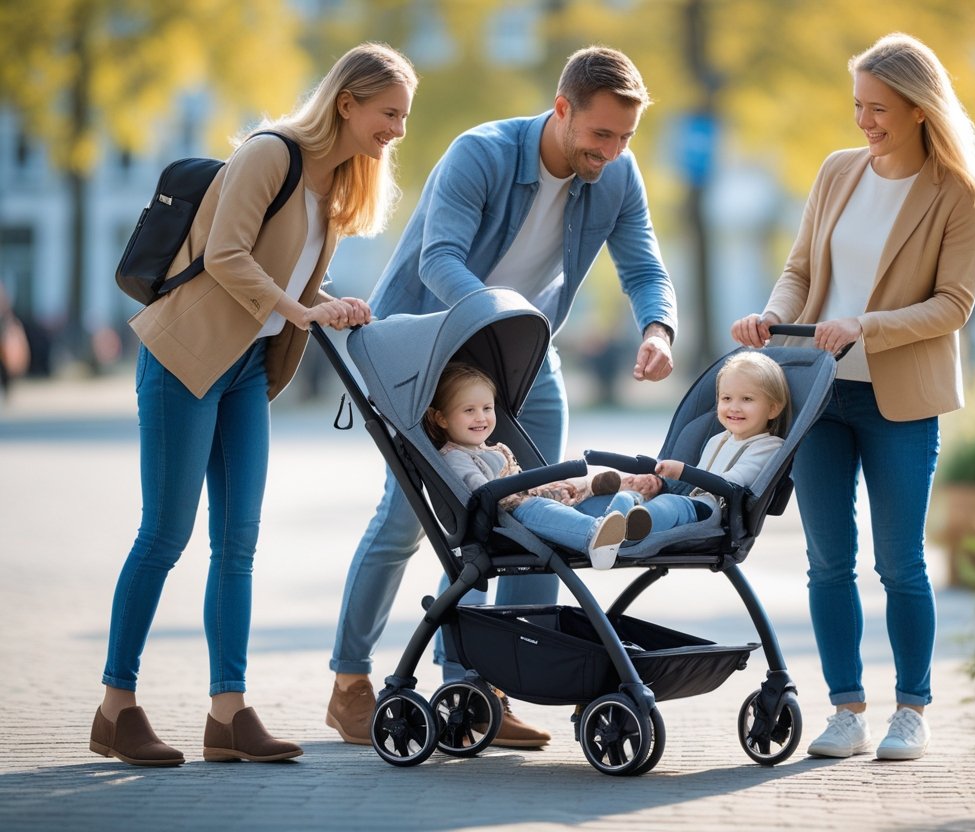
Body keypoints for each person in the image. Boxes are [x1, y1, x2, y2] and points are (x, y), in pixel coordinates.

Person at [326, 45, 677, 750]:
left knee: (537, 515)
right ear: (562, 109)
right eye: (600, 133)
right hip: (430, 350)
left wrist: (658, 328)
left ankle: (492, 686)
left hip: (524, 356)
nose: (612, 151)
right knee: (407, 521)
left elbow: (643, 263)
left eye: (625, 137)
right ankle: (350, 684)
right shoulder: (481, 154)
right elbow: (439, 259)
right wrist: (498, 322)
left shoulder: (617, 173)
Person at [91, 43, 418, 767]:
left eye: (404, 117)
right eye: (389, 113)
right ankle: (116, 708)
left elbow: (285, 279)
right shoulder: (271, 153)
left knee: (238, 543)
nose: (397, 129)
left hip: (245, 370)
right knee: (165, 535)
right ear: (347, 103)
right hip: (184, 356)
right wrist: (303, 314)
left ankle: (229, 713)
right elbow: (228, 256)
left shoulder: (335, 185)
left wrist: (330, 304)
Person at [731, 32, 975, 762]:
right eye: (858, 106)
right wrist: (772, 316)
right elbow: (799, 269)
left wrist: (865, 326)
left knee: (900, 563)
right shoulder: (837, 171)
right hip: (817, 395)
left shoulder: (956, 192)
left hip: (898, 400)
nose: (864, 121)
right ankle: (846, 711)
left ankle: (912, 711)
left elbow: (954, 304)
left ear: (918, 108)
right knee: (827, 561)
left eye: (878, 108)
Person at [427, 362, 651, 569]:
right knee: (538, 508)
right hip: (510, 520)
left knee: (581, 501)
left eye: (487, 408)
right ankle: (595, 537)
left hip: (534, 504)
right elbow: (483, 493)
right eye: (469, 410)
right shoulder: (455, 457)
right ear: (441, 418)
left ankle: (624, 513)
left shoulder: (491, 449)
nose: (481, 417)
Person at [609, 352, 790, 534]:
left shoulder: (769, 446)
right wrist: (663, 484)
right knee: (629, 497)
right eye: (726, 398)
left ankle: (628, 528)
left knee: (670, 504)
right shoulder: (717, 440)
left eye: (747, 399)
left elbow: (731, 484)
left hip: (716, 514)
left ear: (772, 409)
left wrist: (683, 472)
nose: (734, 407)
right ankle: (608, 527)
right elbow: (697, 484)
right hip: (693, 504)